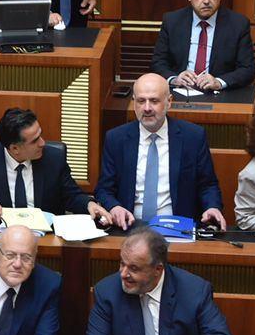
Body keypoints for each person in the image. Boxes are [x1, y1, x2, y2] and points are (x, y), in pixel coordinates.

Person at [86, 228, 233, 335]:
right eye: (122, 264)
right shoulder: (108, 291)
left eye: (134, 268)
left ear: (158, 269)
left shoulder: (194, 291)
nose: (123, 274)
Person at [93, 73, 227, 230]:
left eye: (154, 101)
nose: (147, 108)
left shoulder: (193, 137)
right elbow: (104, 189)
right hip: (129, 227)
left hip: (177, 228)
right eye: (141, 101)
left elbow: (208, 185)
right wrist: (114, 207)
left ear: (169, 101)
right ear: (134, 102)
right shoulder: (116, 138)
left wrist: (212, 207)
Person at [0, 107, 111, 223]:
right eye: (35, 141)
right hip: (2, 238)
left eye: (40, 135)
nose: (43, 143)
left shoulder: (54, 159)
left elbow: (72, 196)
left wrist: (89, 204)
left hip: (46, 238)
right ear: (14, 148)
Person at [150, 0, 255, 91]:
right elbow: (158, 63)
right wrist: (174, 79)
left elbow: (248, 70)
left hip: (220, 94)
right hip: (180, 91)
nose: (206, 1)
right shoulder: (172, 21)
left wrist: (219, 82)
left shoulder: (238, 24)